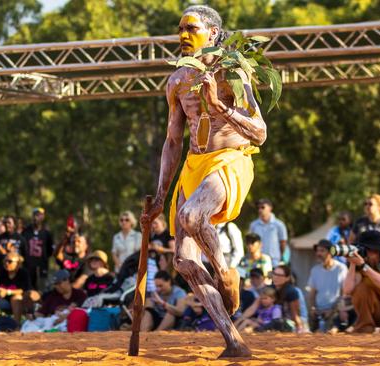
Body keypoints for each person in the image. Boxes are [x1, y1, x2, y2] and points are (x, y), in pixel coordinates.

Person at [139, 4, 267, 357]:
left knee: (192, 217)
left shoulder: (233, 75)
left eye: (191, 29)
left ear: (212, 34)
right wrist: (161, 196)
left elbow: (260, 133)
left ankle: (226, 273)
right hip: (193, 167)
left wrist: (219, 104)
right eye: (179, 29)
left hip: (229, 161)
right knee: (182, 261)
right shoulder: (177, 80)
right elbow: (172, 141)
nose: (182, 35)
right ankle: (233, 340)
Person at [343, 230, 380, 332]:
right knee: (361, 289)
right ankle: (365, 327)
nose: (361, 252)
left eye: (364, 249)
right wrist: (353, 264)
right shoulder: (361, 263)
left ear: (376, 251)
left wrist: (364, 266)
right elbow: (347, 290)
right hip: (378, 310)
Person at [242, 265, 305, 332]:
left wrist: (300, 328)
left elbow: (295, 315)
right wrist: (240, 319)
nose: (275, 277)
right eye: (274, 274)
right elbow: (253, 307)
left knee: (277, 322)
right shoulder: (269, 288)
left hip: (288, 324)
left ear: (287, 278)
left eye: (279, 275)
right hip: (271, 322)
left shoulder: (292, 292)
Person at [307, 239, 348, 332]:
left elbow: (344, 294)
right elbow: (312, 293)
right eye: (317, 251)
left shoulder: (341, 268)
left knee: (331, 333)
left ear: (330, 252)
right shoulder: (315, 270)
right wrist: (312, 308)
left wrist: (333, 310)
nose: (318, 254)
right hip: (318, 312)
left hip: (335, 311)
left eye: (322, 251)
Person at [0, 252, 31, 324]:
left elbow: (24, 290)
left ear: (18, 263)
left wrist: (8, 292)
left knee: (16, 298)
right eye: (5, 261)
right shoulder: (1, 272)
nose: (6, 263)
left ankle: (16, 325)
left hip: (20, 303)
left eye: (10, 261)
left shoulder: (23, 273)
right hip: (4, 301)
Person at [22, 207, 54, 290]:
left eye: (39, 215)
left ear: (43, 217)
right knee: (29, 288)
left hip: (42, 265)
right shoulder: (25, 231)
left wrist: (44, 258)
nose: (36, 218)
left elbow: (50, 250)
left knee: (42, 288)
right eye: (35, 215)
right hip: (28, 266)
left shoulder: (47, 233)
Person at [249, 199, 289, 266]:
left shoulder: (279, 225)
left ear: (270, 208)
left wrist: (279, 257)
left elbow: (283, 244)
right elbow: (250, 244)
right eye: (258, 208)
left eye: (262, 207)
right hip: (257, 262)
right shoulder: (253, 225)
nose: (260, 210)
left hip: (274, 261)